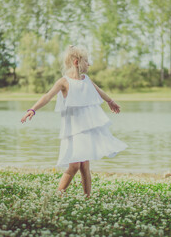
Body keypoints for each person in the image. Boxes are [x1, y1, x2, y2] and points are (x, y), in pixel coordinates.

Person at [21, 45, 127, 198]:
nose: (88, 64)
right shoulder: (64, 82)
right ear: (77, 62)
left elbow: (99, 91)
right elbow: (47, 96)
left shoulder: (87, 80)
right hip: (73, 129)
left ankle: (87, 197)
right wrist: (32, 109)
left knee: (85, 166)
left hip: (86, 128)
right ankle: (58, 194)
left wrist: (110, 101)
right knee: (74, 165)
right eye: (86, 61)